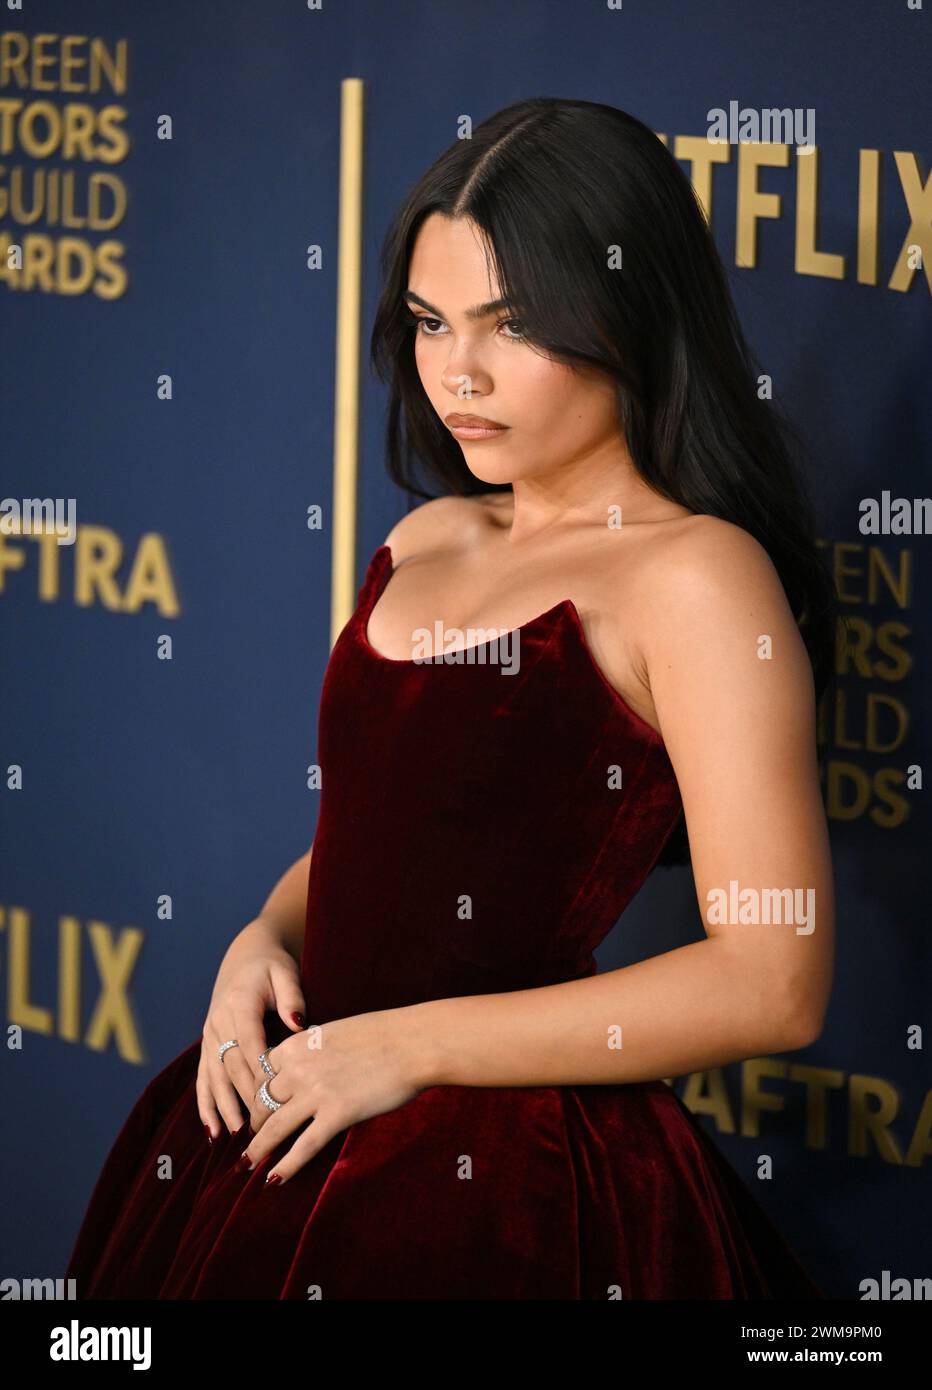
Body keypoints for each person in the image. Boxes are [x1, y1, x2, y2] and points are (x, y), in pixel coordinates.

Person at [67, 97, 836, 1299]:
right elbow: (379, 845)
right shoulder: (424, 534)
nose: (455, 374)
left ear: (626, 315)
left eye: (510, 323)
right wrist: (256, 943)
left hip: (508, 1183)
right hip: (291, 1113)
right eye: (429, 322)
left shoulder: (693, 575)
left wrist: (403, 1049)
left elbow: (771, 980)